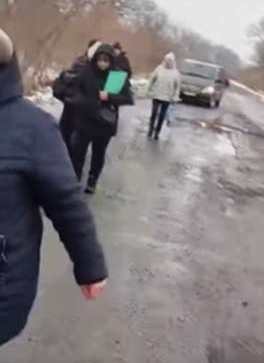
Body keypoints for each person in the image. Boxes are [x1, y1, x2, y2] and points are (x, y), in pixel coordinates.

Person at [0, 28, 108, 346]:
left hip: (99, 125)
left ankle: (93, 180)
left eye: (104, 59)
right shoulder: (80, 70)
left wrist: (90, 265)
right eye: (97, 58)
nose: (100, 62)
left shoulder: (31, 128)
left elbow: (65, 201)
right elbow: (63, 89)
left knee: (91, 159)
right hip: (80, 123)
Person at [70, 43, 134, 194]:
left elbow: (128, 98)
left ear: (111, 61)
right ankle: (75, 179)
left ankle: (92, 181)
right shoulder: (87, 72)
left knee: (98, 153)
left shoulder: (117, 76)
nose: (103, 63)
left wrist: (109, 97)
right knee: (78, 152)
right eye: (100, 59)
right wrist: (84, 101)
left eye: (106, 60)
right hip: (85, 120)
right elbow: (76, 91)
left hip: (104, 122)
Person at [146, 52, 181, 140]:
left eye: (170, 60)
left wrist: (175, 97)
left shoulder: (176, 73)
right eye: (167, 60)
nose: (168, 62)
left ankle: (157, 131)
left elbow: (177, 87)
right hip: (156, 95)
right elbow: (152, 78)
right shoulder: (159, 68)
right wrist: (148, 89)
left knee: (162, 115)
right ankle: (151, 128)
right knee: (154, 113)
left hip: (167, 98)